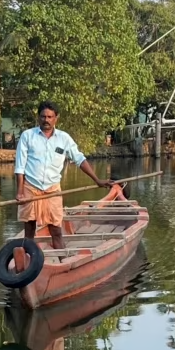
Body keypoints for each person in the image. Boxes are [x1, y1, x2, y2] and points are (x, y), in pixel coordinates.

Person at [14, 101, 113, 250]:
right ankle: (28, 262)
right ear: (38, 117)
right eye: (43, 116)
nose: (46, 120)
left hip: (52, 189)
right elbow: (20, 166)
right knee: (29, 230)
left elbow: (79, 159)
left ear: (56, 118)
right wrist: (20, 192)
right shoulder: (27, 136)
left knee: (56, 230)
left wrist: (97, 180)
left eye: (49, 117)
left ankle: (62, 260)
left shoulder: (64, 138)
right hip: (31, 188)